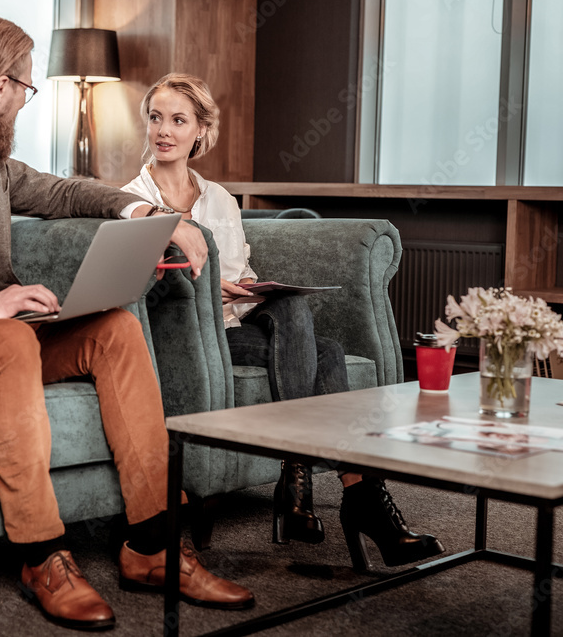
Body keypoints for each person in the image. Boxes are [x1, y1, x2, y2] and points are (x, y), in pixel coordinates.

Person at [0, 19, 254, 631]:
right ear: (1, 88)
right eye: (27, 90)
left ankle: (152, 544)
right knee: (8, 336)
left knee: (113, 329)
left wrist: (151, 212)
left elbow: (66, 193)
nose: (23, 103)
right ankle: (41, 557)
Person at [123, 72, 444, 570]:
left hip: (233, 324)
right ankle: (346, 496)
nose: (164, 130)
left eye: (178, 120)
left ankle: (308, 487)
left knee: (301, 318)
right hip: (187, 337)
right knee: (326, 352)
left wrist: (251, 287)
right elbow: (142, 288)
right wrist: (209, 288)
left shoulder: (220, 199)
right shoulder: (131, 201)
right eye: (156, 117)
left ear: (200, 130)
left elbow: (239, 269)